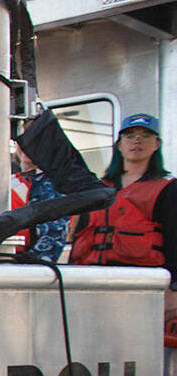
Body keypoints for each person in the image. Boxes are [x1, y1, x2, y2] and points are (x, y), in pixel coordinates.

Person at [69, 113, 175, 270]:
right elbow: (81, 234)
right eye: (130, 136)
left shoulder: (168, 187)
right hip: (93, 274)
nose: (137, 141)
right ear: (119, 145)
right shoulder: (99, 188)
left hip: (145, 276)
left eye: (146, 136)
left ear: (157, 144)